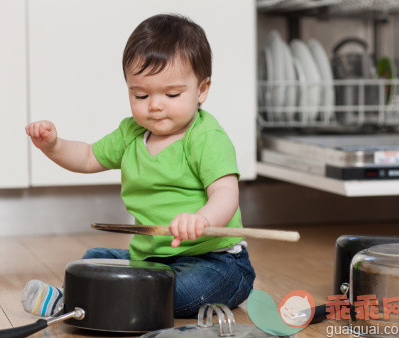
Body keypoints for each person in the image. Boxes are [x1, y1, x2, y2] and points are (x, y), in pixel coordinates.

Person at [22, 13, 255, 318]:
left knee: (181, 290)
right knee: (93, 259)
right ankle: (85, 298)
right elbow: (89, 156)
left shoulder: (206, 137)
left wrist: (201, 218)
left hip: (215, 261)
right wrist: (54, 145)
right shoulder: (131, 132)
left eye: (172, 94)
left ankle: (84, 302)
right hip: (153, 262)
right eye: (141, 94)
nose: (155, 104)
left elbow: (225, 192)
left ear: (202, 90)